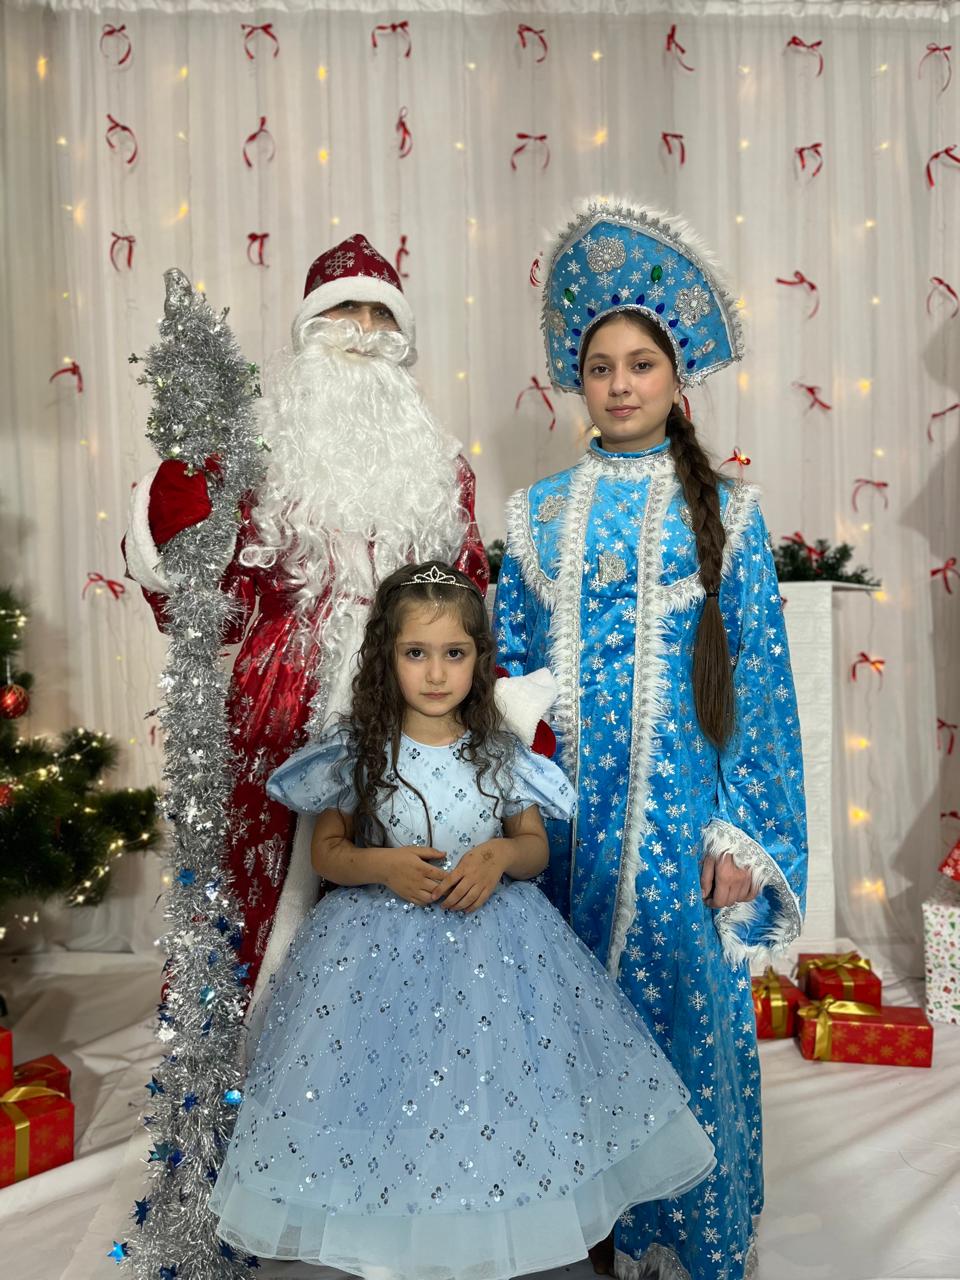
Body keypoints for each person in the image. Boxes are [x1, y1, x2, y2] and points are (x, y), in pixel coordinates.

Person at [208, 560, 716, 1280]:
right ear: (386, 658)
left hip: (495, 954)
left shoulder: (498, 753)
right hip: (373, 954)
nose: (436, 673)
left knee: (483, 1086)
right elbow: (327, 853)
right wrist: (383, 865)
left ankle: (481, 1234)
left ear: (479, 659)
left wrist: (500, 854)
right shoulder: (358, 752)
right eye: (416, 653)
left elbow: (534, 848)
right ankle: (389, 1236)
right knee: (386, 1085)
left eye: (455, 653)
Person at [494, 199, 808, 1280]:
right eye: (600, 367)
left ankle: (682, 1232)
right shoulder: (537, 515)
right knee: (567, 1021)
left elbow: (761, 693)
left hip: (685, 830)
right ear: (576, 382)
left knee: (682, 1020)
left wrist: (746, 837)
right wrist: (509, 811)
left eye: (641, 364)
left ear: (678, 378)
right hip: (562, 835)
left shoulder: (733, 514)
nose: (620, 384)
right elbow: (507, 681)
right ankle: (588, 1227)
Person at [122, 234, 489, 1008]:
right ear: (309, 330)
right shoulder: (252, 452)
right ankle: (244, 1057)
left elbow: (470, 593)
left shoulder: (442, 464)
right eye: (344, 311)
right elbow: (200, 603)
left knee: (405, 877)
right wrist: (176, 501)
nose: (363, 331)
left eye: (380, 316)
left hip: (414, 700)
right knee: (258, 881)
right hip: (279, 702)